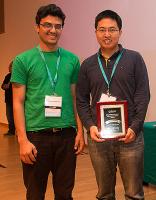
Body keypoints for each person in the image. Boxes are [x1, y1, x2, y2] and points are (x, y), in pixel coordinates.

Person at [11, 4, 84, 200]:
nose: (53, 30)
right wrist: (22, 140)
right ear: (37, 27)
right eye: (47, 25)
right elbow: (17, 102)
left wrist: (80, 132)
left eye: (58, 26)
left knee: (64, 194)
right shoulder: (22, 60)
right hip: (36, 138)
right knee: (35, 194)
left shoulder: (72, 60)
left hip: (67, 137)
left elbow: (75, 98)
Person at [76, 10, 150, 200]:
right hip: (99, 139)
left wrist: (135, 127)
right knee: (104, 194)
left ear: (120, 32)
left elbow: (143, 95)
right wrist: (90, 127)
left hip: (130, 138)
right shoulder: (88, 64)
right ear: (95, 32)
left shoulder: (134, 59)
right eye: (102, 30)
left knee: (134, 193)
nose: (107, 34)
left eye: (112, 29)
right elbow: (81, 100)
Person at [1, 61, 15, 135]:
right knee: (9, 116)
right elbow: (3, 86)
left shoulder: (20, 76)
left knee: (18, 117)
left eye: (13, 66)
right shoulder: (8, 76)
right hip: (9, 100)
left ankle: (19, 132)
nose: (12, 68)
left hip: (17, 101)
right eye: (11, 66)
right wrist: (7, 84)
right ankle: (11, 131)